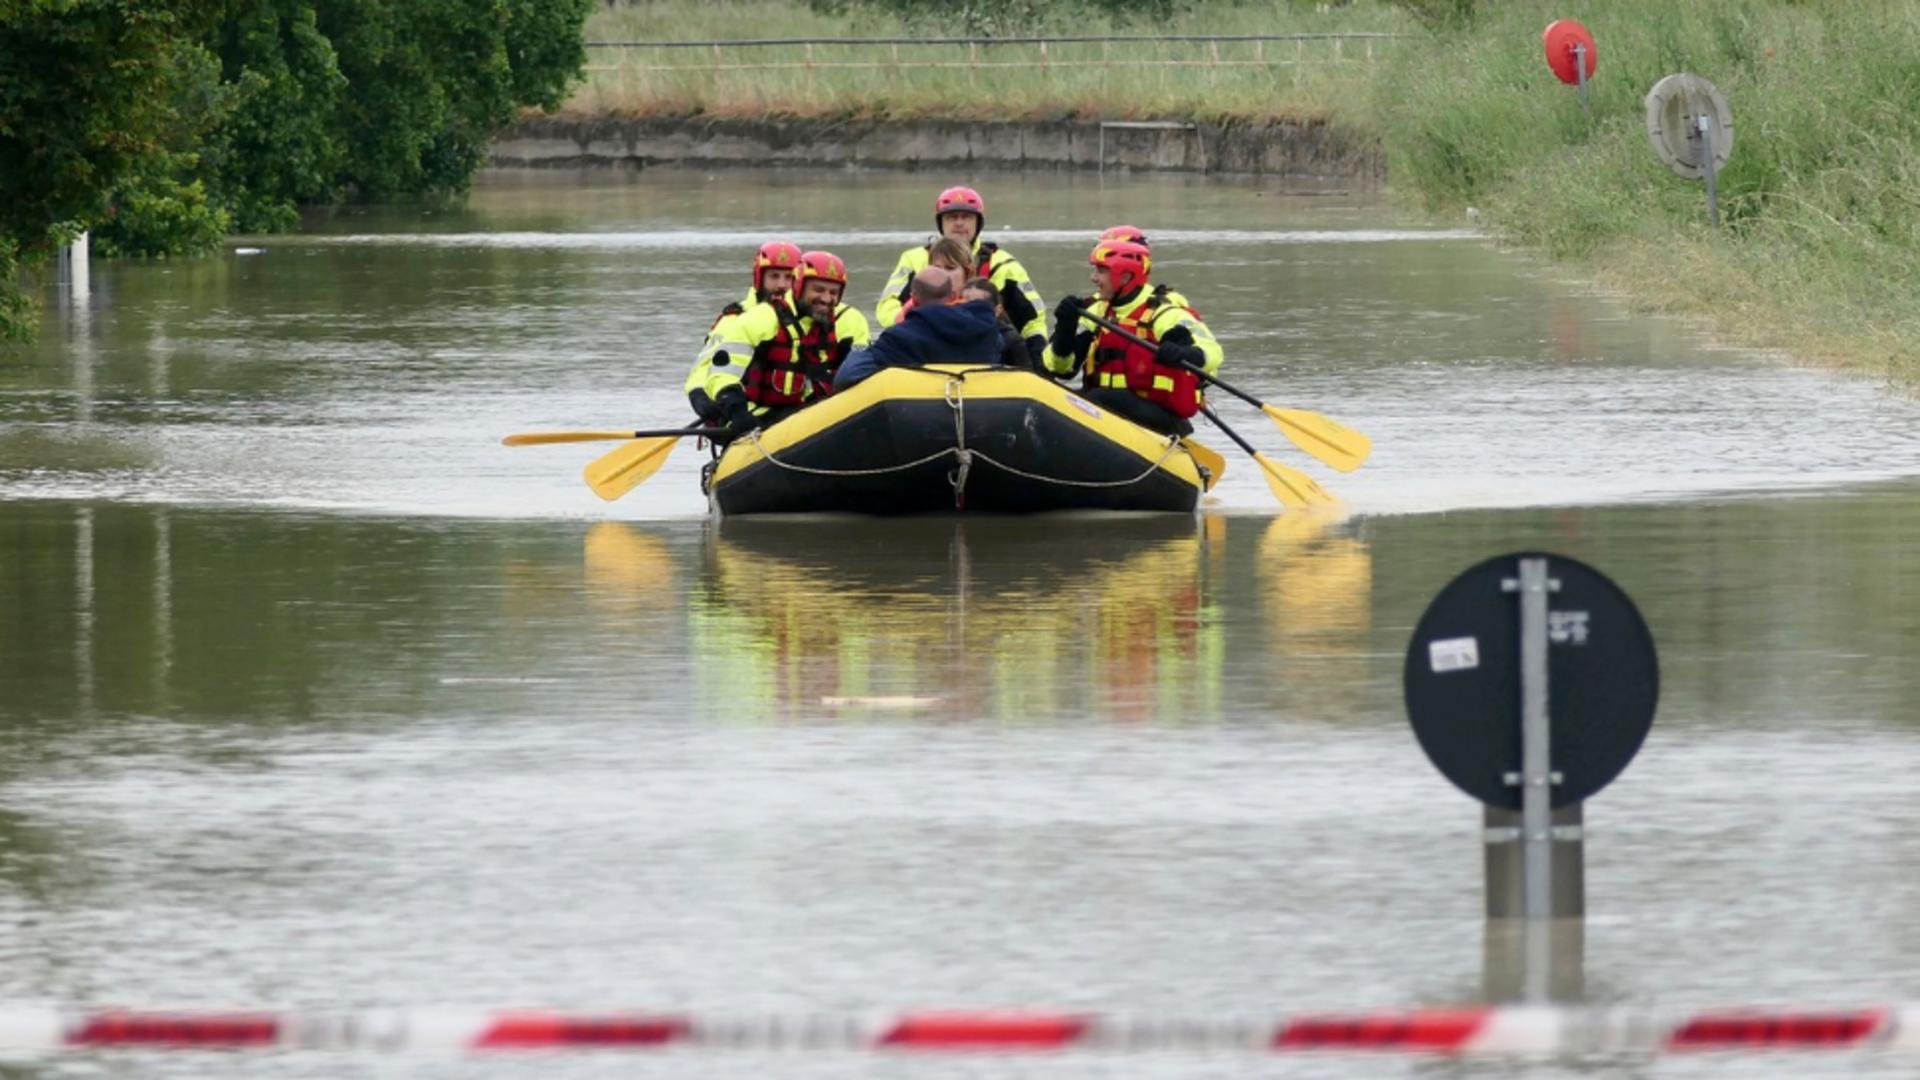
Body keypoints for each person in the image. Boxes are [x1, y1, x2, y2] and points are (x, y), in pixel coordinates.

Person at [686, 248, 870, 440]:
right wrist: (734, 411)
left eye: (833, 292)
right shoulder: (755, 319)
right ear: (799, 286)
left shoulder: (849, 321)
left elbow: (864, 371)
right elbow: (721, 374)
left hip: (819, 415)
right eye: (818, 290)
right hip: (761, 416)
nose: (825, 298)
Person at [1044, 238, 1222, 437]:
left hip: (1157, 416)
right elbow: (1060, 368)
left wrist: (1184, 353)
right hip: (1104, 411)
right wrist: (1064, 328)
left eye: (1101, 271)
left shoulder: (1165, 314)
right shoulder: (1096, 313)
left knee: (1102, 397)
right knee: (1074, 397)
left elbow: (1213, 353)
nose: (1093, 278)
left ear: (1126, 277)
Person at [874, 186, 1047, 367]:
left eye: (966, 217)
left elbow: (1033, 319)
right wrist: (907, 324)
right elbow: (887, 305)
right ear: (941, 223)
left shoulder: (1004, 264)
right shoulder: (913, 259)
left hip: (989, 349)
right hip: (926, 343)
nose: (959, 223)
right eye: (952, 217)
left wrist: (1038, 360)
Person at [835, 268, 1002, 391]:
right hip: (979, 407)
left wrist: (860, 351)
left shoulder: (901, 337)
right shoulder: (988, 329)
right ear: (953, 297)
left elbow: (847, 376)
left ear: (913, 299)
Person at [892, 237, 973, 324]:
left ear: (967, 273)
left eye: (950, 268)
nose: (941, 273)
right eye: (937, 268)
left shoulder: (976, 309)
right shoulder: (913, 307)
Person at [960, 277, 1033, 371]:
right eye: (964, 306)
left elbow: (1026, 378)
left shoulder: (1012, 342)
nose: (970, 312)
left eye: (978, 307)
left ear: (997, 310)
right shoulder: (950, 334)